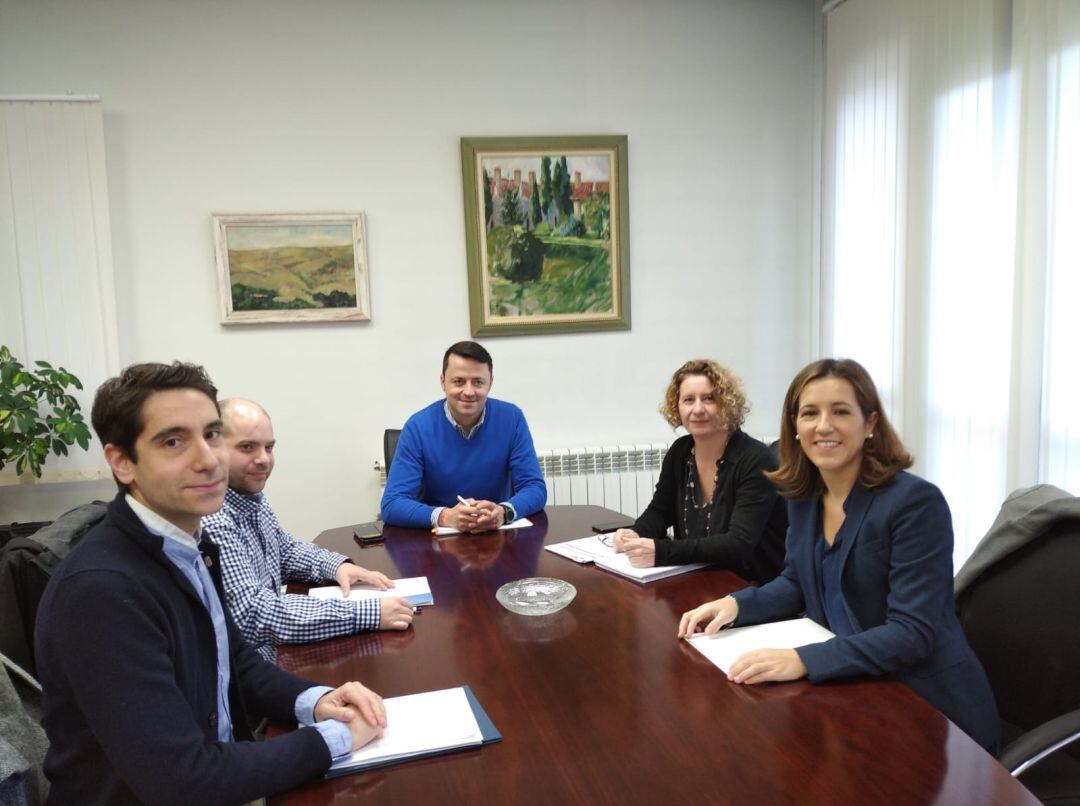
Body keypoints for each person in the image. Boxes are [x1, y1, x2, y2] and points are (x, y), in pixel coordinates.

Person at [34, 362, 388, 805]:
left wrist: (318, 700)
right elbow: (184, 781)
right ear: (122, 461)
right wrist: (334, 739)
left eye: (212, 434)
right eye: (174, 441)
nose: (209, 459)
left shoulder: (188, 544)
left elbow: (235, 660)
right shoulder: (100, 593)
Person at [678, 358, 999, 752]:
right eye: (810, 413)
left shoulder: (915, 503)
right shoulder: (805, 495)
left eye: (841, 412)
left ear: (870, 424)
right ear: (794, 426)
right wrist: (735, 604)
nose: (823, 426)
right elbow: (797, 581)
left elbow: (913, 633)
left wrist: (804, 660)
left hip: (929, 710)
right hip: (855, 690)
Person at [202, 398, 414, 663]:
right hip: (249, 672)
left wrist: (336, 567)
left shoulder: (249, 497)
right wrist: (366, 613)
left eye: (269, 448)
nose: (263, 459)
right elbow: (256, 613)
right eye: (247, 447)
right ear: (215, 449)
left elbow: (285, 550)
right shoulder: (213, 520)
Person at [612, 360, 786, 583]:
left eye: (709, 398)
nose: (698, 409)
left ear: (727, 404)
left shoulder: (756, 459)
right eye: (688, 400)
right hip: (698, 578)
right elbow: (659, 511)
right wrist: (635, 533)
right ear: (677, 407)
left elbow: (738, 543)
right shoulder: (680, 452)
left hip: (751, 586)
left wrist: (661, 551)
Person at [380, 341, 547, 533]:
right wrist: (445, 516)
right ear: (443, 382)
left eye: (478, 382)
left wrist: (504, 511)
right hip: (435, 545)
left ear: (490, 382)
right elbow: (392, 504)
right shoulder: (417, 427)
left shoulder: (512, 419)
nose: (468, 392)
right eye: (458, 381)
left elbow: (534, 487)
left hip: (496, 538)